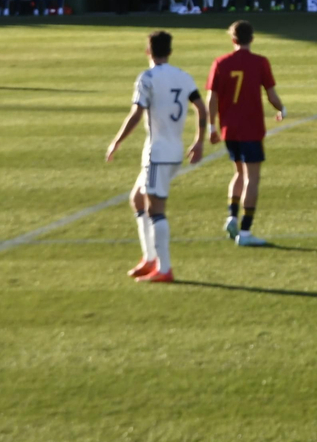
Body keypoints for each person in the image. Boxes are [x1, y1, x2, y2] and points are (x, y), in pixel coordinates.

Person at [104, 30, 205, 283]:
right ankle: (149, 258)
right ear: (170, 52)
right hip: (172, 149)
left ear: (148, 51)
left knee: (155, 209)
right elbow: (201, 109)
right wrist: (199, 141)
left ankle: (164, 267)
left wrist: (116, 141)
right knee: (137, 199)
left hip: (158, 153)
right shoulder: (183, 76)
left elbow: (136, 114)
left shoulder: (146, 78)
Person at [206, 21, 284, 247]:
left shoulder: (220, 62)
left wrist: (212, 127)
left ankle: (231, 216)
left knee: (239, 173)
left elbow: (212, 98)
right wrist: (281, 109)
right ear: (252, 38)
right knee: (252, 178)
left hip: (229, 129)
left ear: (233, 39)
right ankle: (246, 232)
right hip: (251, 128)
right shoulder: (260, 62)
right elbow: (271, 95)